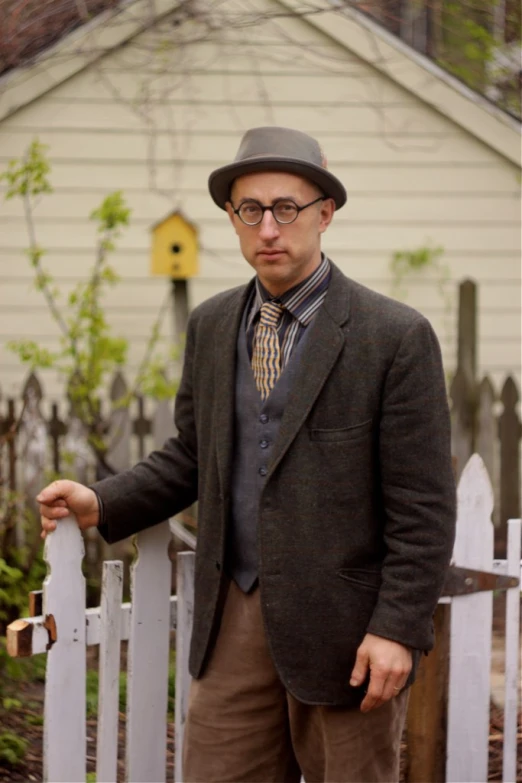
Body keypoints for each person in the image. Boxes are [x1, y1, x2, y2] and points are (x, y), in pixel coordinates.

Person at [38, 126, 456, 783]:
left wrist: (398, 628)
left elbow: (424, 508)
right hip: (233, 611)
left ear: (325, 213)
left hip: (347, 627)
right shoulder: (210, 324)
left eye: (286, 208)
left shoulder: (394, 336)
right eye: (249, 209)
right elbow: (191, 455)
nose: (268, 227)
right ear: (232, 219)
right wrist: (101, 500)